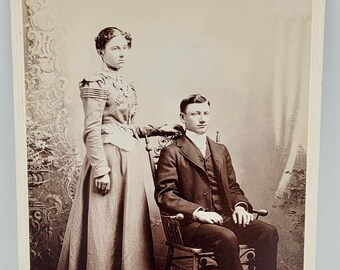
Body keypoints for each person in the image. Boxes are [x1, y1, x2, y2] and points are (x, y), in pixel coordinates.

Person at [57, 26, 179, 270]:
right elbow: (92, 129)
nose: (122, 53)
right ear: (101, 52)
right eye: (115, 48)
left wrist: (156, 129)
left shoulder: (124, 83)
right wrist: (101, 169)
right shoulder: (95, 82)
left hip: (129, 162)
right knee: (104, 225)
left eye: (125, 48)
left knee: (129, 225)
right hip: (109, 161)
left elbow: (126, 127)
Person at [154, 94, 279, 270]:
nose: (202, 119)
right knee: (226, 237)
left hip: (224, 218)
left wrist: (240, 207)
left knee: (268, 232)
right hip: (192, 225)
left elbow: (233, 187)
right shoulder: (172, 151)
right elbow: (165, 195)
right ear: (183, 117)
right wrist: (197, 212)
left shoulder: (220, 150)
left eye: (206, 113)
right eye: (196, 114)